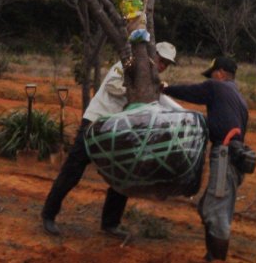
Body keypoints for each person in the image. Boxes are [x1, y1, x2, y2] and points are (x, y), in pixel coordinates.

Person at [41, 41, 177, 239]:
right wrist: (139, 90)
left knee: (123, 175)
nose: (162, 65)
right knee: (73, 170)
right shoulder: (128, 66)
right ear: (152, 54)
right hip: (96, 122)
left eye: (166, 63)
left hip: (118, 130)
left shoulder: (150, 81)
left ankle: (111, 223)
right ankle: (48, 215)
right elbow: (113, 87)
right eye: (161, 60)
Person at [163, 55, 248, 263]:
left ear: (219, 73)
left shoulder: (216, 87)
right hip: (235, 158)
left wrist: (165, 88)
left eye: (212, 75)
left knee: (217, 214)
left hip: (226, 155)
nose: (210, 79)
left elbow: (192, 92)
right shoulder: (238, 98)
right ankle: (211, 258)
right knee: (207, 207)